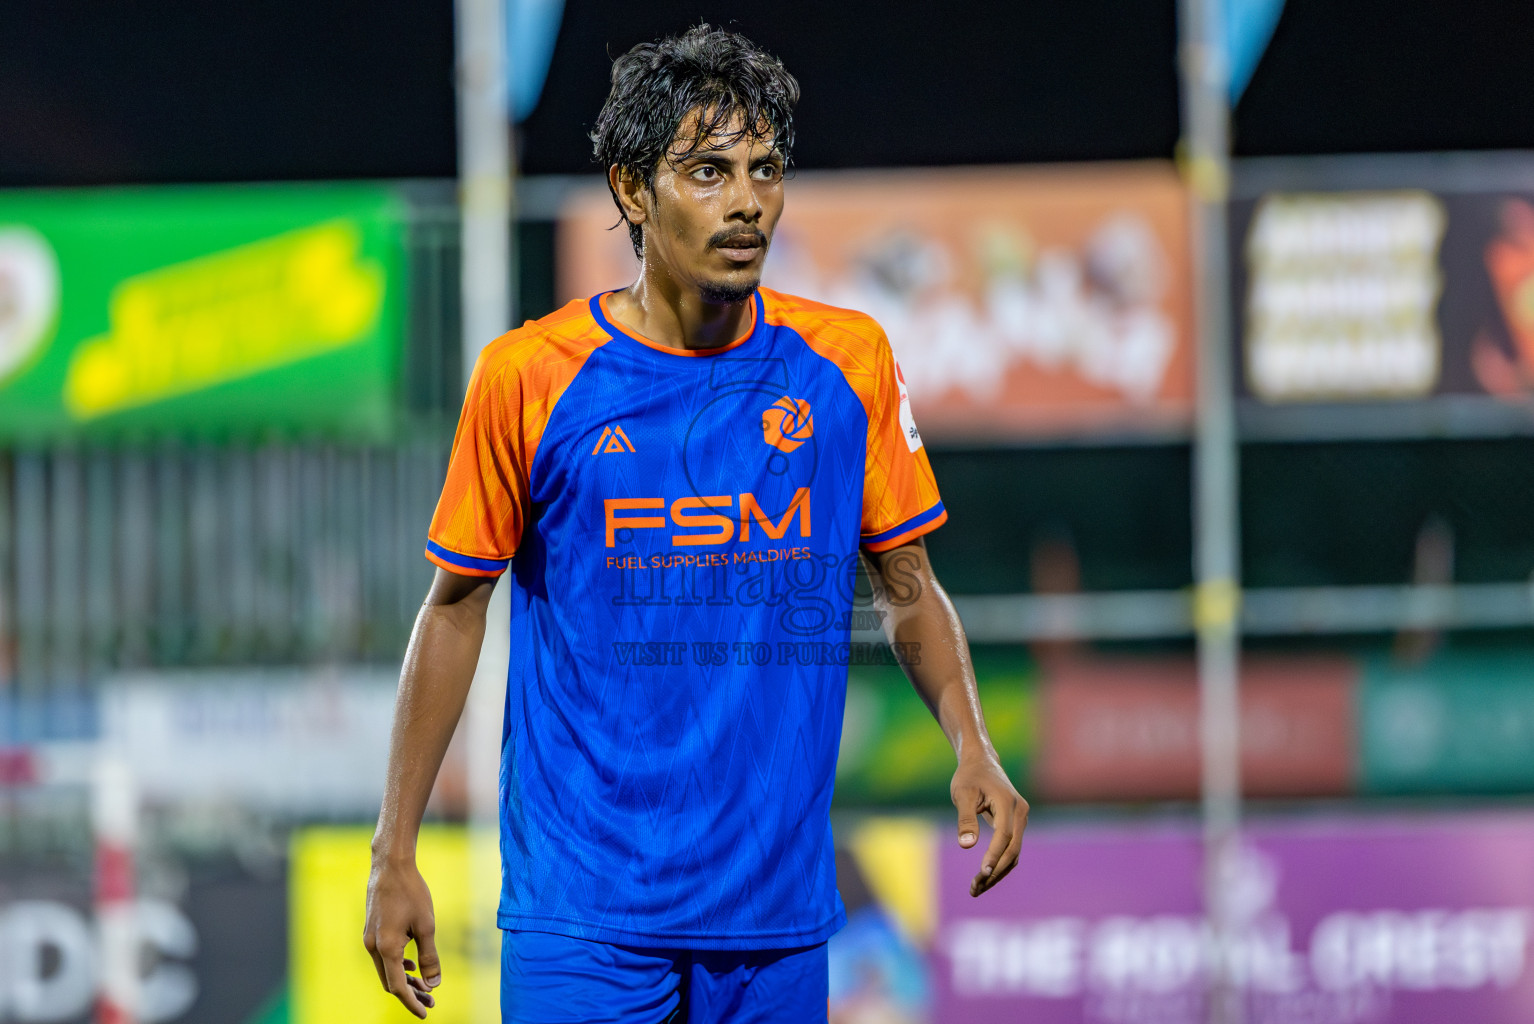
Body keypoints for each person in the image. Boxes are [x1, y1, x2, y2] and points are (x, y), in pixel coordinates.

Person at [363, 24, 1028, 1023]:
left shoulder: (845, 363)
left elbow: (907, 588)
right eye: (708, 171)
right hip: (581, 913)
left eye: (765, 170)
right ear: (633, 190)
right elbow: (454, 609)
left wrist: (972, 742)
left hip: (774, 923)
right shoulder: (531, 378)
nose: (747, 200)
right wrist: (394, 850)